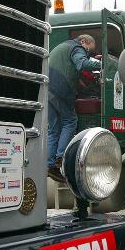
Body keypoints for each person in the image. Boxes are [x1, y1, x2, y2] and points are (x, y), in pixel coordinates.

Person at [47, 34, 101, 182]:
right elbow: (82, 64)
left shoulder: (63, 48)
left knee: (53, 129)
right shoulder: (76, 47)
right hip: (60, 89)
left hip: (46, 89)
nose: (88, 53)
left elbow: (73, 73)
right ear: (84, 42)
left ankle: (49, 165)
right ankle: (60, 159)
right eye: (89, 50)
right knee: (70, 121)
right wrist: (103, 64)